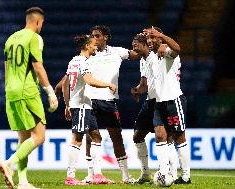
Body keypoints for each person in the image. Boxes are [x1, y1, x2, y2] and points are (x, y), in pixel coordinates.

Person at [0, 7, 58, 189]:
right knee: (39, 136)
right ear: (38, 22)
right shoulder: (35, 38)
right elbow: (37, 67)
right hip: (27, 92)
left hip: (11, 91)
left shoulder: (10, 39)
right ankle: (9, 163)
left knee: (24, 138)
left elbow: (6, 68)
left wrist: (9, 90)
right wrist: (50, 92)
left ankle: (23, 182)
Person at [82, 25, 140, 184]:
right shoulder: (87, 54)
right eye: (92, 35)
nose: (94, 38)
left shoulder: (118, 52)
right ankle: (91, 175)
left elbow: (137, 54)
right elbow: (75, 70)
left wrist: (149, 47)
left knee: (117, 138)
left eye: (98, 35)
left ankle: (126, 176)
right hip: (89, 100)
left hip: (109, 101)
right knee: (91, 138)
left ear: (106, 37)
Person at [62, 34, 116, 185]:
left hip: (84, 105)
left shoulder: (73, 61)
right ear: (86, 46)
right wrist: (108, 84)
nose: (96, 46)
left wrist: (67, 104)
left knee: (96, 136)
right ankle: (70, 177)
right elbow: (89, 80)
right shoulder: (83, 62)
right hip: (80, 106)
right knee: (77, 139)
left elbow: (65, 84)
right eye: (93, 44)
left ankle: (97, 175)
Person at [143, 27, 191, 184]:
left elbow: (178, 49)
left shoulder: (168, 52)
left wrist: (162, 36)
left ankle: (185, 176)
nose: (149, 40)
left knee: (179, 137)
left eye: (153, 37)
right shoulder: (152, 56)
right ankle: (163, 173)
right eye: (148, 38)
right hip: (159, 103)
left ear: (160, 39)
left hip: (173, 100)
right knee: (160, 136)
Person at [131, 27, 178, 184]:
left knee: (165, 137)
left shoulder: (156, 55)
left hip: (161, 101)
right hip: (149, 101)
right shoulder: (143, 60)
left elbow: (171, 52)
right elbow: (145, 84)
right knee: (137, 136)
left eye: (135, 44)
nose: (133, 48)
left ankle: (171, 173)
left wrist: (162, 44)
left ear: (144, 44)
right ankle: (145, 173)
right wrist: (138, 90)